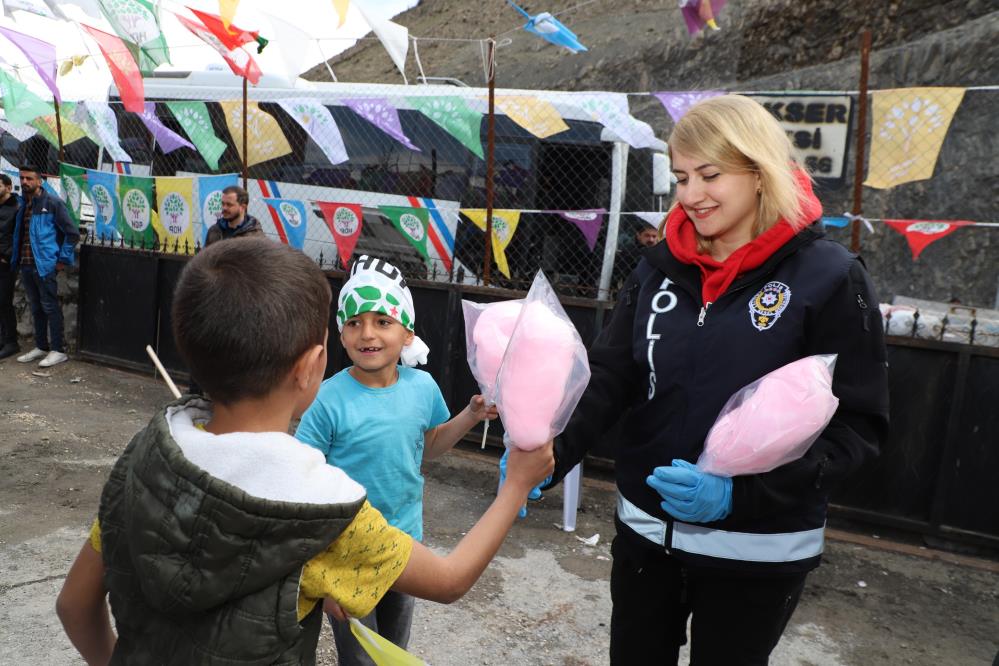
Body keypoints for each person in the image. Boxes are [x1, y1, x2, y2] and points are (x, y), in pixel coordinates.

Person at [55, 239, 553, 665]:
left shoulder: (141, 459)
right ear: (314, 365)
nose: (367, 334)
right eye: (352, 324)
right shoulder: (322, 512)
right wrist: (515, 486)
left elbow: (74, 606)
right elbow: (448, 581)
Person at [544, 95, 889, 664]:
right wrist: (553, 451)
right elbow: (613, 374)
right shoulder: (658, 267)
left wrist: (740, 495)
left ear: (759, 173)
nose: (690, 195)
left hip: (759, 552)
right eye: (680, 177)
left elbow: (858, 428)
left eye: (710, 175)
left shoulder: (829, 276)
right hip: (646, 537)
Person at [295, 254, 499, 664]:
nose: (367, 333)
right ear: (341, 333)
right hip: (347, 552)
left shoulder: (422, 388)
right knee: (359, 657)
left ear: (406, 333)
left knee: (392, 650)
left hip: (405, 544)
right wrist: (324, 570)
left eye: (382, 322)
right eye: (354, 323)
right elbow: (302, 480)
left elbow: (430, 447)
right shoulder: (328, 400)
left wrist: (472, 414)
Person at [12, 165, 79, 368]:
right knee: (36, 307)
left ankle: (58, 350)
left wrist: (61, 260)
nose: (25, 182)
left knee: (50, 307)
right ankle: (41, 346)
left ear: (39, 181)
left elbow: (72, 233)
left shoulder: (52, 203)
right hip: (26, 265)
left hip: (44, 266)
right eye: (22, 178)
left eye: (29, 178)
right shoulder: (23, 204)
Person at [0, 174, 21, 360]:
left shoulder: (16, 208)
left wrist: (6, 257)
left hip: (5, 264)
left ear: (8, 187)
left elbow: (18, 236)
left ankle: (11, 342)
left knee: (4, 302)